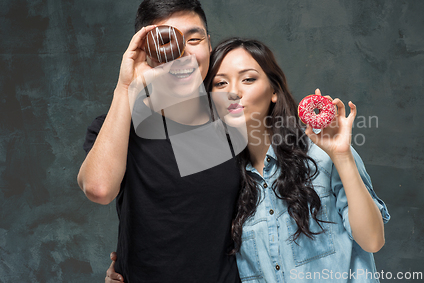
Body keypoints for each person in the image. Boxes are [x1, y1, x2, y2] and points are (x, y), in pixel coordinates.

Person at [107, 37, 390, 282]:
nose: (234, 91)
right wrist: (127, 270)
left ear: (274, 92)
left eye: (249, 79)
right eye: (220, 83)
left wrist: (341, 156)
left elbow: (373, 240)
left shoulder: (321, 155)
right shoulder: (226, 182)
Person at [78, 0, 241, 283]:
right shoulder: (117, 126)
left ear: (209, 44)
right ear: (147, 53)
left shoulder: (236, 122)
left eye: (194, 40)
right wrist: (127, 86)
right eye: (168, 43)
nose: (185, 54)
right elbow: (98, 189)